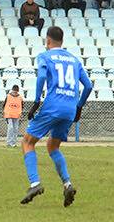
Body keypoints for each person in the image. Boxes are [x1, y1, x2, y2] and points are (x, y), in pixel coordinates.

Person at [20, 26, 92, 206]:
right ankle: (67, 184)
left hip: (53, 105)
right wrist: (79, 107)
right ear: (62, 41)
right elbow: (88, 86)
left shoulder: (45, 56)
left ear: (48, 41)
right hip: (69, 108)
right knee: (53, 146)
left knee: (28, 142)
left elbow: (42, 76)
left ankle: (35, 183)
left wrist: (36, 101)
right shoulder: (74, 60)